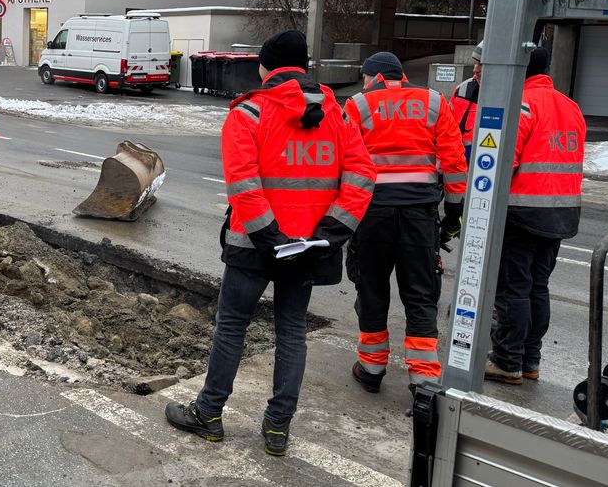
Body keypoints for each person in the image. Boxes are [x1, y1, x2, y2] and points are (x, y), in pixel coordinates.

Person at [165, 30, 375, 456]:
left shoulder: (250, 114)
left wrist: (269, 238)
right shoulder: (338, 115)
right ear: (305, 67)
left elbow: (244, 185)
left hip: (253, 247)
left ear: (266, 67)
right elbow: (361, 178)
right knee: (292, 333)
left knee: (232, 327)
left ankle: (209, 413)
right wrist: (327, 236)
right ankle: (277, 429)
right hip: (307, 249)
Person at [343, 52, 467, 394]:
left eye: (365, 77)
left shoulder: (357, 104)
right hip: (420, 213)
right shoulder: (435, 101)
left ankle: (371, 367)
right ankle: (424, 378)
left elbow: (344, 162)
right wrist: (453, 214)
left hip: (372, 213)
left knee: (371, 288)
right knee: (420, 293)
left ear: (374, 76)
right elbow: (455, 163)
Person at [486, 48, 585, 384]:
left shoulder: (523, 105)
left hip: (523, 212)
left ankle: (506, 360)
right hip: (560, 213)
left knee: (513, 288)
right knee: (537, 287)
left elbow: (502, 164)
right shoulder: (571, 107)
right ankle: (530, 360)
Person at [450, 42, 483, 159]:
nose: (475, 70)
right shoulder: (462, 90)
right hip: (461, 163)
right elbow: (447, 131)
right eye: (475, 63)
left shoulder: (514, 95)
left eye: (482, 64)